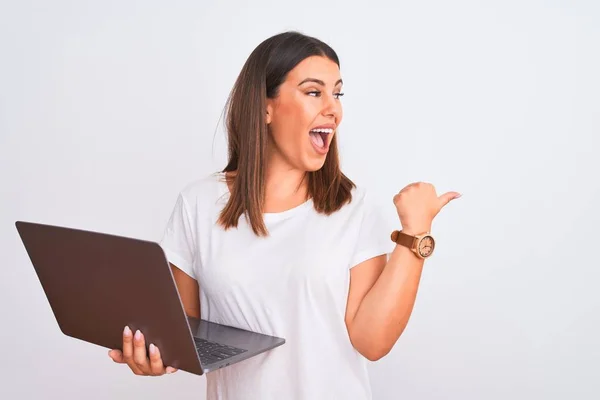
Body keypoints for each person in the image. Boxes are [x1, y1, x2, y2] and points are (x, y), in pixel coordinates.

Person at [107, 30, 460, 399]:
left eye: (337, 93)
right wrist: (152, 353)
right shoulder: (199, 203)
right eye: (313, 92)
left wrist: (415, 234)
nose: (333, 108)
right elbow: (184, 333)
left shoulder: (354, 208)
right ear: (265, 107)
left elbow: (373, 342)